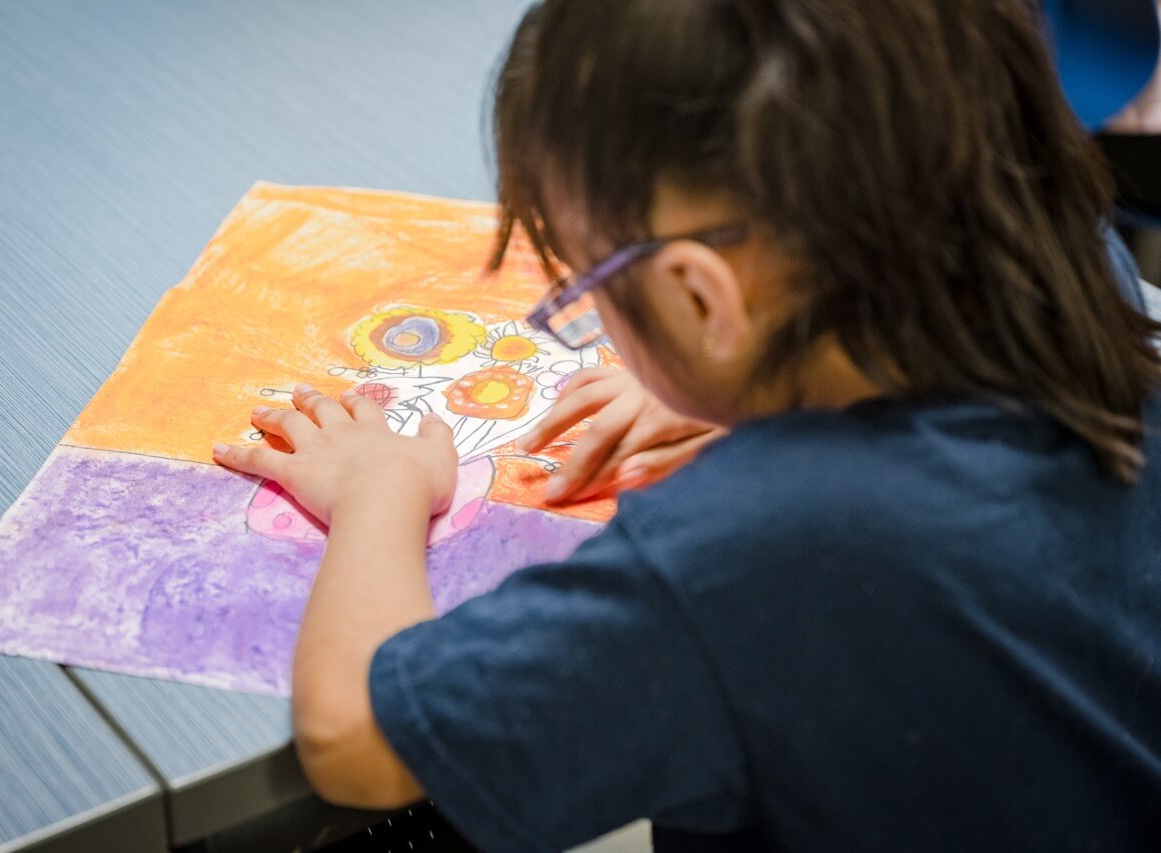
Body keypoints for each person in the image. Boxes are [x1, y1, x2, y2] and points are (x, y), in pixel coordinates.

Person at [213, 0, 1161, 849]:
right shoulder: (1094, 293)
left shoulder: (744, 556)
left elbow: (359, 744)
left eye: (581, 284)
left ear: (703, 299)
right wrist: (760, 380)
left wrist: (381, 488)